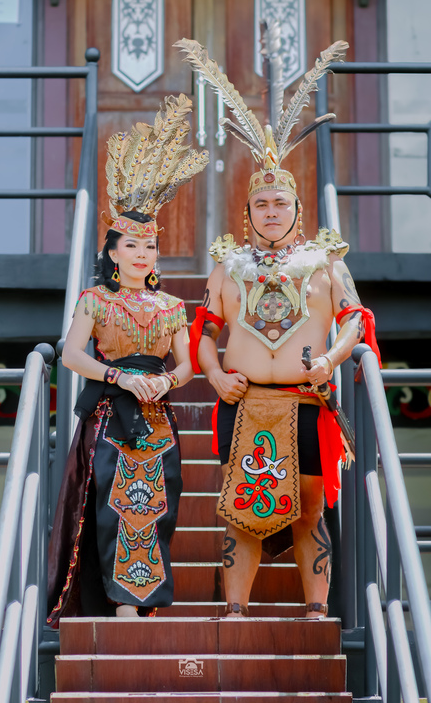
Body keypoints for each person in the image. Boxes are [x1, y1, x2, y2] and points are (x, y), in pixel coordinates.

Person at [178, 38, 381, 618]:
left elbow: (355, 321)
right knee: (239, 513)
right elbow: (204, 332)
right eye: (262, 204)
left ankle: (316, 613)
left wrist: (332, 361)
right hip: (243, 403)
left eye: (280, 203)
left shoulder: (327, 263)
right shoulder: (227, 266)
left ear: (297, 209)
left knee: (310, 511)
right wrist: (215, 375)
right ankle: (235, 612)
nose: (271, 211)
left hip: (307, 403)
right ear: (248, 213)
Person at [47, 94, 208, 625]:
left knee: (157, 507)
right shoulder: (94, 300)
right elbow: (72, 355)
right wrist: (118, 376)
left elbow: (187, 365)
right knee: (112, 505)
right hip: (109, 414)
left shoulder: (172, 306)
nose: (142, 255)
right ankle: (120, 604)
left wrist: (166, 383)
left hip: (157, 415)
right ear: (113, 253)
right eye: (131, 246)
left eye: (149, 247)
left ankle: (146, 601)